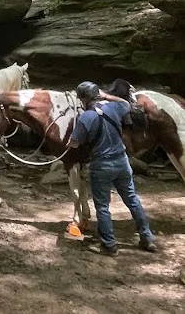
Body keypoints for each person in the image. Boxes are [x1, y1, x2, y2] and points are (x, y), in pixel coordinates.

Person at [70, 81, 157, 256]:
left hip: (101, 165)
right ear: (98, 95)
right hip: (122, 162)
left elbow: (74, 144)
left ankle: (109, 245)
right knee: (132, 199)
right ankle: (147, 238)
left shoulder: (86, 117)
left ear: (84, 99)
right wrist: (107, 96)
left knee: (102, 206)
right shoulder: (115, 108)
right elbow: (126, 103)